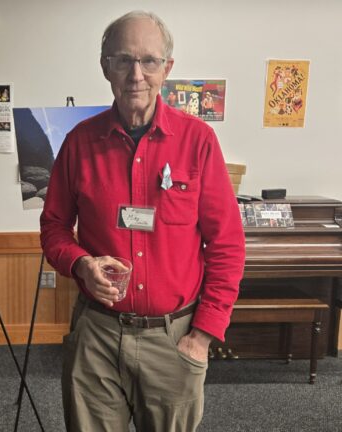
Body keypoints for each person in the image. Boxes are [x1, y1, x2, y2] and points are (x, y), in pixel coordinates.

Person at [40, 11, 245, 432]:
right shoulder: (78, 142)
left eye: (149, 61)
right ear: (106, 67)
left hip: (174, 339)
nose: (137, 75)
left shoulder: (198, 141)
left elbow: (226, 244)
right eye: (123, 60)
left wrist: (203, 335)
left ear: (167, 68)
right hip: (97, 336)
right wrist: (81, 264)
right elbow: (54, 227)